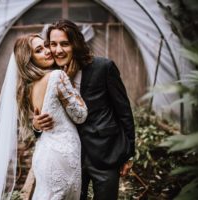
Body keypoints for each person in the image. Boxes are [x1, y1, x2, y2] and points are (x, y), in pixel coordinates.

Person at [33, 19, 135, 200]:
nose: (58, 50)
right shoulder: (49, 75)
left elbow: (124, 112)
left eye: (65, 44)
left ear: (76, 44)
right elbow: (40, 114)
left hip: (105, 154)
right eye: (53, 44)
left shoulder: (103, 67)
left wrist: (128, 154)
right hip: (69, 159)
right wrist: (36, 125)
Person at [0, 33, 88, 200]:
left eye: (45, 46)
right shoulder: (57, 76)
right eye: (39, 50)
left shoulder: (27, 89)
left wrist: (36, 126)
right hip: (62, 156)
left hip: (43, 155)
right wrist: (71, 83)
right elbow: (80, 116)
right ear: (29, 59)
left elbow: (42, 119)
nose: (47, 51)